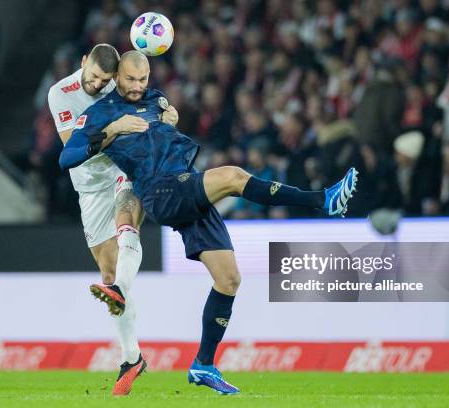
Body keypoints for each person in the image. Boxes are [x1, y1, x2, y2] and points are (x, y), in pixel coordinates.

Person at [59, 51, 358, 395]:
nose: (138, 87)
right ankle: (322, 201)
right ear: (117, 77)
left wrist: (168, 118)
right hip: (159, 191)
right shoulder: (99, 114)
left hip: (183, 182)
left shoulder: (155, 99)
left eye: (143, 80)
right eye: (130, 80)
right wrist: (111, 131)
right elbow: (66, 157)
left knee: (229, 279)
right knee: (233, 176)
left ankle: (203, 364)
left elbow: (160, 126)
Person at [47, 44, 178, 395]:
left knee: (127, 225)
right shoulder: (61, 94)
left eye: (105, 81)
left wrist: (165, 114)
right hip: (89, 186)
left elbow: (149, 100)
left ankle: (120, 293)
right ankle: (132, 357)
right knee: (107, 274)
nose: (97, 85)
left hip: (124, 169)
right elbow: (71, 148)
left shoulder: (121, 84)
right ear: (83, 63)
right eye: (93, 78)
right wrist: (116, 127)